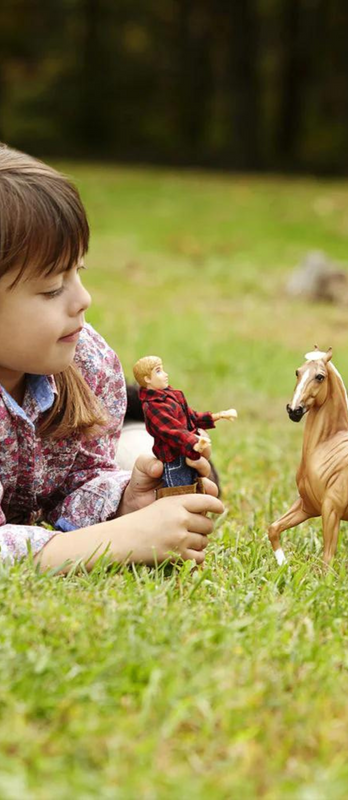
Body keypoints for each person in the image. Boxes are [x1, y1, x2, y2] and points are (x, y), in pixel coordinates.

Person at [0, 144, 224, 570]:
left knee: (136, 450)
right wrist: (121, 540)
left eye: (77, 273)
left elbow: (73, 483)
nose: (83, 300)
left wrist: (123, 500)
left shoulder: (86, 362)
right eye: (51, 289)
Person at [132, 356, 236, 496]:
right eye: (158, 371)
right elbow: (171, 431)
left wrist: (218, 416)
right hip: (175, 458)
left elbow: (191, 417)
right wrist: (194, 442)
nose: (165, 374)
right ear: (147, 379)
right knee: (179, 495)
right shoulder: (153, 406)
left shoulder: (170, 396)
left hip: (186, 451)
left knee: (195, 492)